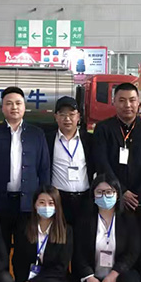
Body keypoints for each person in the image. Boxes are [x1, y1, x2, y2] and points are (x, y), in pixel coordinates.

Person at [72, 174, 141, 282]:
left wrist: (115, 273)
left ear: (117, 194)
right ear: (93, 195)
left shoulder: (128, 219)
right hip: (95, 280)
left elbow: (133, 251)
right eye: (100, 192)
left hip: (119, 276)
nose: (104, 196)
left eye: (109, 192)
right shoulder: (84, 220)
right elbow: (78, 252)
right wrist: (89, 276)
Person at [0, 86, 50, 249]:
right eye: (9, 103)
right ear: (2, 108)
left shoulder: (36, 134)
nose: (14, 107)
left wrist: (43, 200)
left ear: (24, 106)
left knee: (25, 249)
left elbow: (44, 169)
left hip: (28, 203)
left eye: (18, 103)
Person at [12, 186, 73, 282]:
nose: (46, 207)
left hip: (55, 281)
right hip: (28, 279)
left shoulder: (66, 231)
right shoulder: (23, 228)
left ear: (57, 206)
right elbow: (17, 260)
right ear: (34, 204)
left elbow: (61, 268)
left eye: (51, 203)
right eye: (42, 202)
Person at [93, 82, 141, 216]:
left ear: (138, 102)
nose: (127, 105)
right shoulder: (103, 128)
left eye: (132, 100)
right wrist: (121, 191)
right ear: (114, 102)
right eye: (122, 100)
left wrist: (136, 195)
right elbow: (101, 162)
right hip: (112, 196)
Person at [46, 96, 94, 232]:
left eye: (71, 114)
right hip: (58, 199)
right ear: (56, 117)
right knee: (60, 236)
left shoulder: (89, 140)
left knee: (83, 237)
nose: (67, 119)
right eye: (62, 115)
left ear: (78, 116)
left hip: (84, 199)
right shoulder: (48, 139)